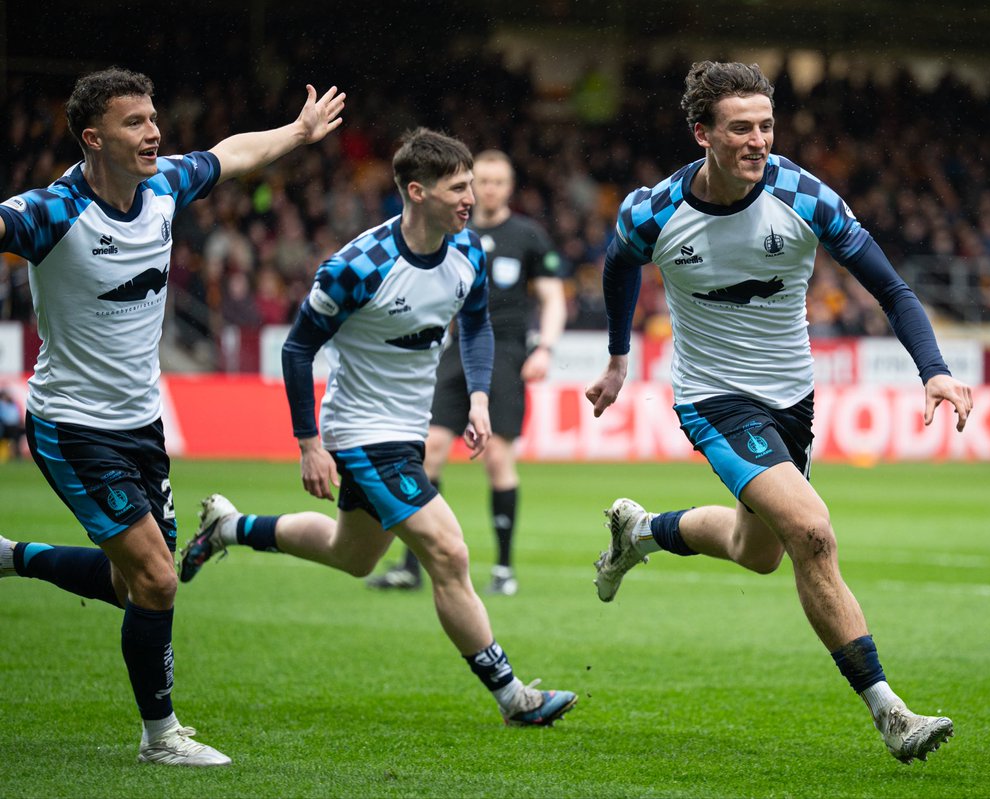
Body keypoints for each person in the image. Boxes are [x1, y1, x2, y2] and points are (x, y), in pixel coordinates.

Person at [586, 61, 974, 765]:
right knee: (812, 532)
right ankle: (890, 712)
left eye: (766, 125)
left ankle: (639, 530)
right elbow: (617, 267)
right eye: (740, 127)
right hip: (713, 400)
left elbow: (892, 288)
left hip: (793, 403)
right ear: (703, 133)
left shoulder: (804, 196)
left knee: (755, 550)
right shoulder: (654, 211)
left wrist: (936, 370)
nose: (757, 139)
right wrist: (618, 357)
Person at [0, 67, 345, 766]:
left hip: (142, 426)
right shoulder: (50, 212)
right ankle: (161, 736)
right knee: (158, 577)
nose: (153, 131)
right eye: (135, 122)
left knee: (135, 582)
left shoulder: (162, 186)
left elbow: (232, 153)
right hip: (72, 425)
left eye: (153, 117)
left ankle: (11, 556)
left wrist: (299, 131)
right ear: (93, 138)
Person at [177, 129, 576, 728]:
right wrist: (310, 443)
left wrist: (477, 397)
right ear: (416, 191)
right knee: (448, 550)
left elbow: (476, 326)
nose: (471, 198)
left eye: (471, 184)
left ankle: (229, 527)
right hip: (361, 433)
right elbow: (296, 351)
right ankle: (513, 696)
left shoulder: (468, 252)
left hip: (408, 429)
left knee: (353, 555)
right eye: (458, 187)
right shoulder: (357, 267)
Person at [367, 149, 566, 596]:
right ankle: (411, 565)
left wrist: (546, 349)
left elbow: (553, 297)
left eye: (498, 181)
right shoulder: (456, 231)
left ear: (510, 186)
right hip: (458, 351)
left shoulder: (529, 236)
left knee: (497, 458)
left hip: (509, 353)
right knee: (429, 450)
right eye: (483, 181)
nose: (489, 189)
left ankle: (503, 570)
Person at [0, 388, 24, 460]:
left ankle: (14, 455)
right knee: (4, 440)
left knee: (14, 441)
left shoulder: (13, 404)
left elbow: (17, 414)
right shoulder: (1, 404)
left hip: (14, 426)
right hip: (4, 425)